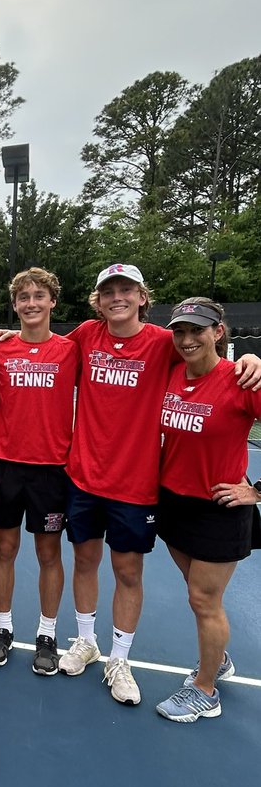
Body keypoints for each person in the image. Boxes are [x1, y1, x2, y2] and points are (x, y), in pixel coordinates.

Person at [55, 264, 261, 704]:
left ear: (142, 297)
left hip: (139, 486)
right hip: (88, 478)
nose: (117, 297)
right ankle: (87, 642)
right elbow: (40, 346)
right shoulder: (85, 336)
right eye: (108, 291)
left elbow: (213, 359)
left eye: (126, 289)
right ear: (98, 300)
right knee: (85, 562)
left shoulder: (165, 345)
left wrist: (250, 358)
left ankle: (120, 660)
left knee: (130, 573)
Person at [154, 299, 261, 722]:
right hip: (173, 503)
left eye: (197, 331)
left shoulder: (241, 380)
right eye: (179, 332)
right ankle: (218, 659)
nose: (186, 340)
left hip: (219, 507)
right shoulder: (171, 375)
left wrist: (257, 491)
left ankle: (205, 690)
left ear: (218, 331)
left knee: (203, 600)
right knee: (195, 593)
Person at [0, 268, 78, 674]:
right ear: (15, 305)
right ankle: (2, 629)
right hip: (5, 466)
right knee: (4, 548)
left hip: (52, 469)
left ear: (53, 301)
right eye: (24, 297)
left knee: (48, 552)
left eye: (39, 296)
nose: (31, 303)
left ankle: (47, 635)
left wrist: (242, 354)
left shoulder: (73, 349)